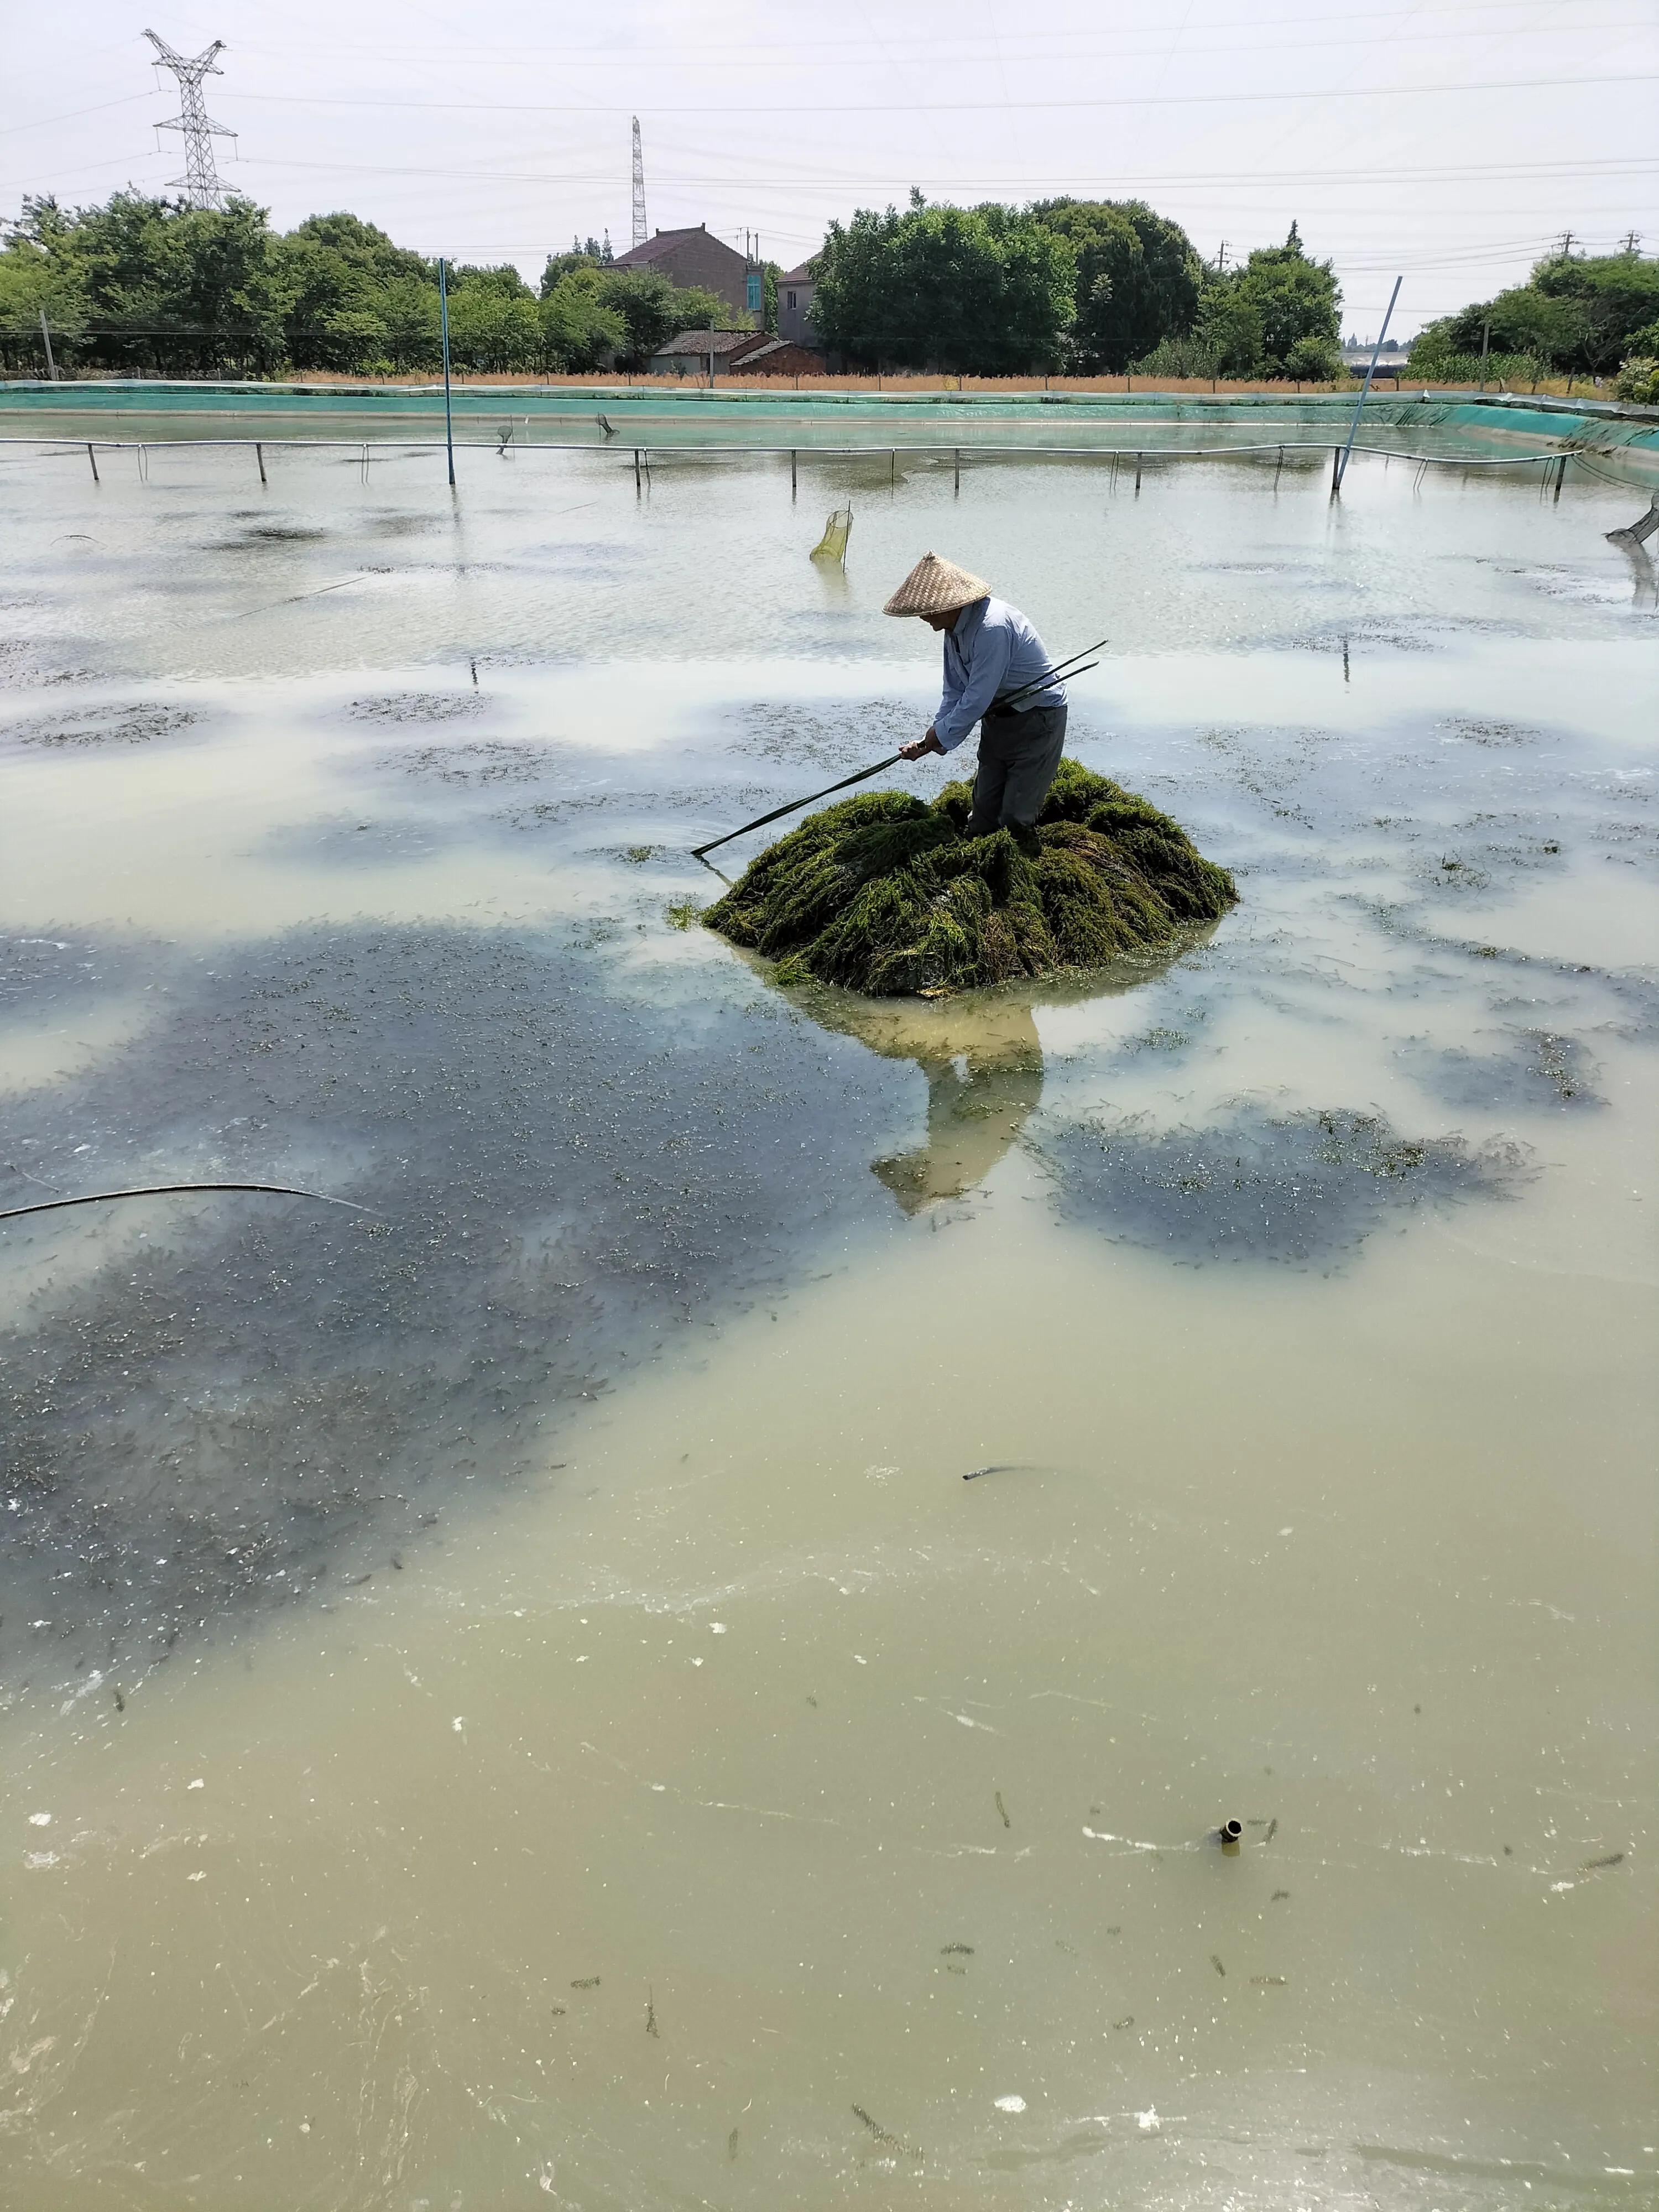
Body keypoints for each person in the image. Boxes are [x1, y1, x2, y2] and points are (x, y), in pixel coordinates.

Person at [884, 552, 1067, 837]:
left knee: (1014, 819)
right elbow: (954, 691)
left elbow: (977, 697)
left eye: (928, 610)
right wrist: (928, 741)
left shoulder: (992, 627)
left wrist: (937, 737)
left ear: (949, 605)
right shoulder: (953, 631)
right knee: (982, 817)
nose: (922, 617)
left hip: (1037, 718)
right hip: (998, 718)